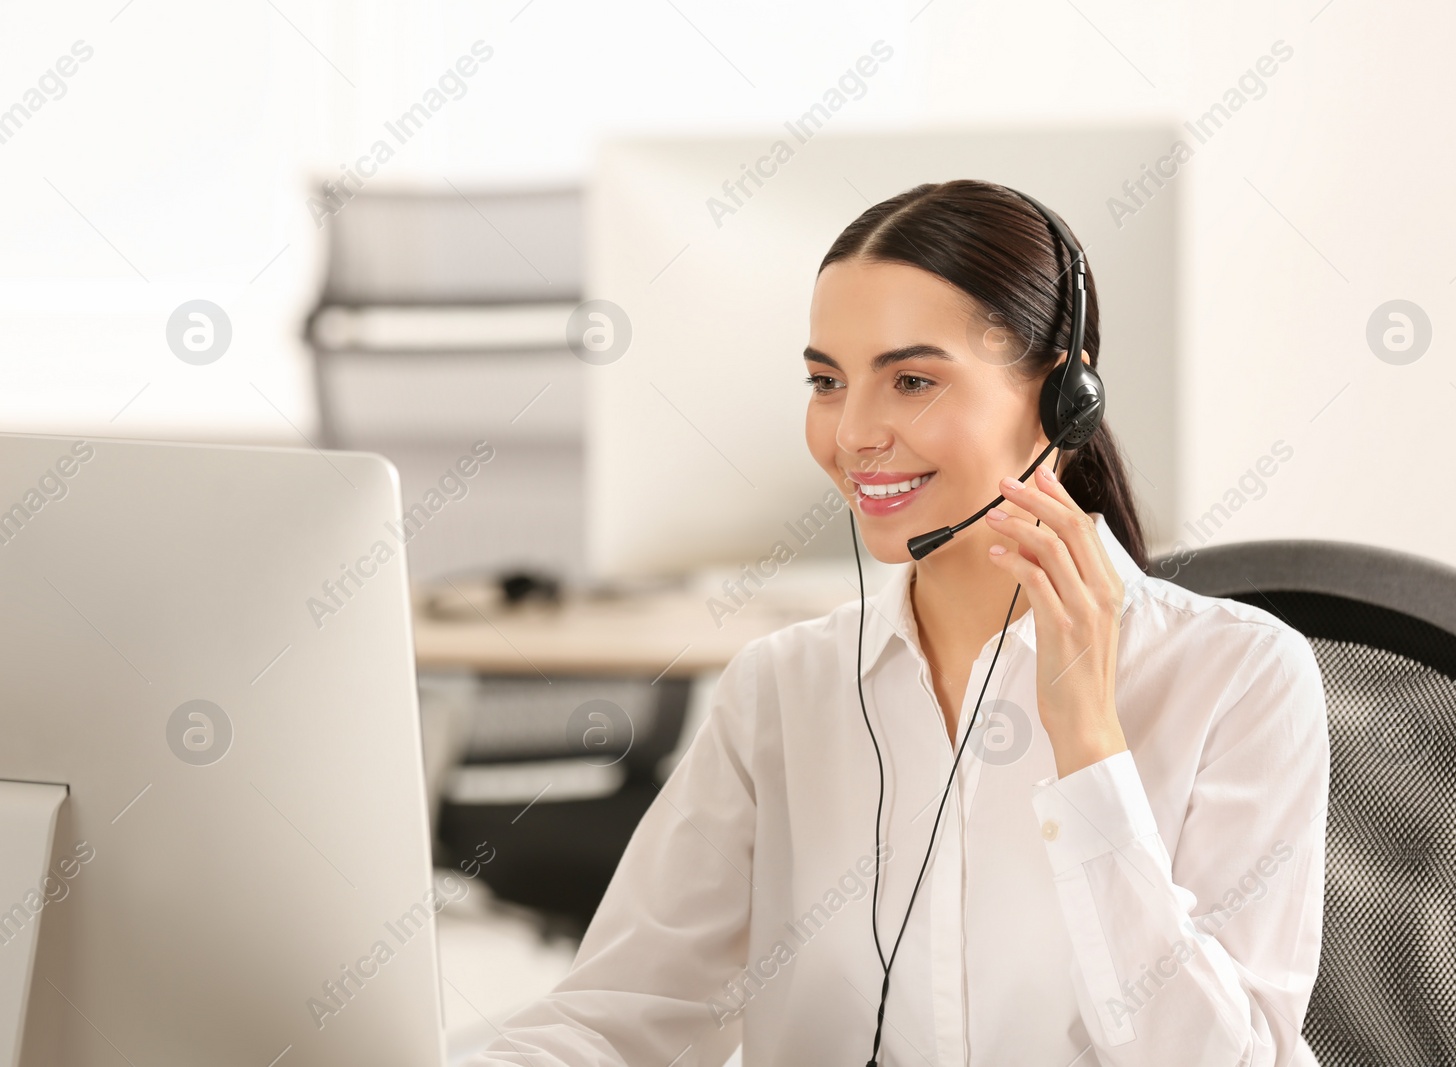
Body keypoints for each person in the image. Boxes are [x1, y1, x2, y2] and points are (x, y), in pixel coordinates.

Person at [467, 179, 1330, 1066]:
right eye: (827, 381)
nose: (854, 433)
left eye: (912, 380)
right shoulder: (782, 692)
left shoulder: (1241, 677)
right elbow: (613, 1019)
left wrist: (1089, 748)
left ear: (1065, 399)